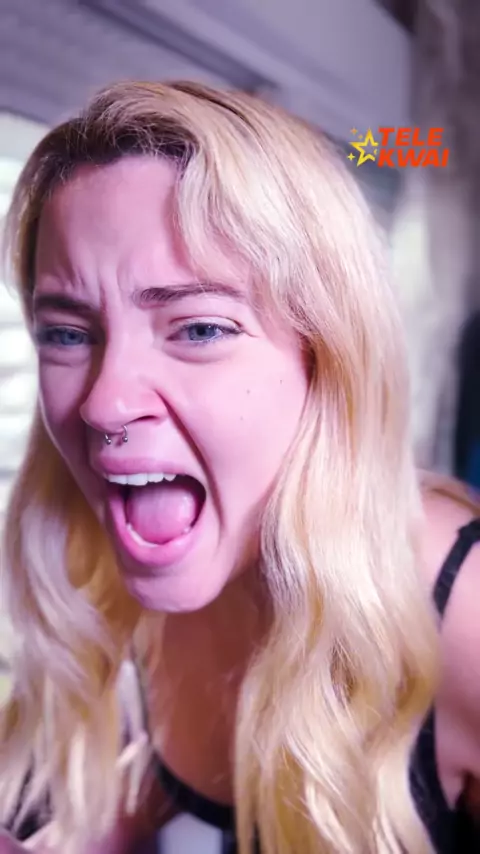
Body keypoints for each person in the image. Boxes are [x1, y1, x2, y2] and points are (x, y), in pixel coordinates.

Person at [0, 80, 478, 854]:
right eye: (67, 334)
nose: (104, 405)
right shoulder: (127, 571)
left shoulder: (463, 615)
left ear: (327, 356)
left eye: (197, 328)